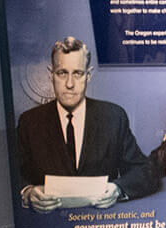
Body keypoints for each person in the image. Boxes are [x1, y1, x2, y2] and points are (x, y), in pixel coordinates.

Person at [13, 36, 158, 210]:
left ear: (88, 76)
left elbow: (145, 171)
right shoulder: (29, 122)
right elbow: (11, 174)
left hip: (102, 223)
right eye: (62, 73)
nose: (69, 84)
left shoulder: (113, 117)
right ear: (51, 75)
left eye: (77, 73)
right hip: (47, 222)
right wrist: (28, 192)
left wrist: (118, 189)